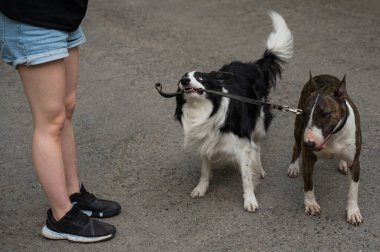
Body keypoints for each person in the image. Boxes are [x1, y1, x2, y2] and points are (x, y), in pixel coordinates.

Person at [0, 0, 121, 243]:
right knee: (50, 121)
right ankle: (61, 217)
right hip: (32, 18)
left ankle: (72, 194)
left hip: (64, 16)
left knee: (66, 109)